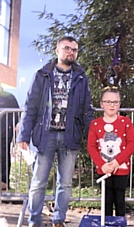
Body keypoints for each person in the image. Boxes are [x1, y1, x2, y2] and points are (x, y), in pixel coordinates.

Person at [17, 36, 95, 227]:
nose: (71, 52)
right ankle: (34, 221)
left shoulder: (80, 77)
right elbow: (31, 107)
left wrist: (93, 135)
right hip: (45, 136)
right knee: (38, 182)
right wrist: (24, 135)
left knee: (65, 184)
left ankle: (58, 220)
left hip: (70, 136)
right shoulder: (42, 75)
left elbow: (87, 108)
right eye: (67, 48)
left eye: (75, 50)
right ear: (57, 51)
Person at [87, 86, 134, 217]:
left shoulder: (126, 122)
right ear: (102, 104)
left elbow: (132, 144)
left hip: (121, 168)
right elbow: (91, 146)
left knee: (120, 200)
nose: (112, 105)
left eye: (115, 102)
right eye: (108, 102)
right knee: (106, 201)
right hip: (103, 169)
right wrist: (102, 164)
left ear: (119, 103)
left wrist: (116, 162)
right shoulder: (95, 124)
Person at [0, 86, 19, 190]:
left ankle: (4, 182)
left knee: (4, 157)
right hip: (5, 132)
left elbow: (16, 115)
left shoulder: (9, 97)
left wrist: (10, 129)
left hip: (4, 134)